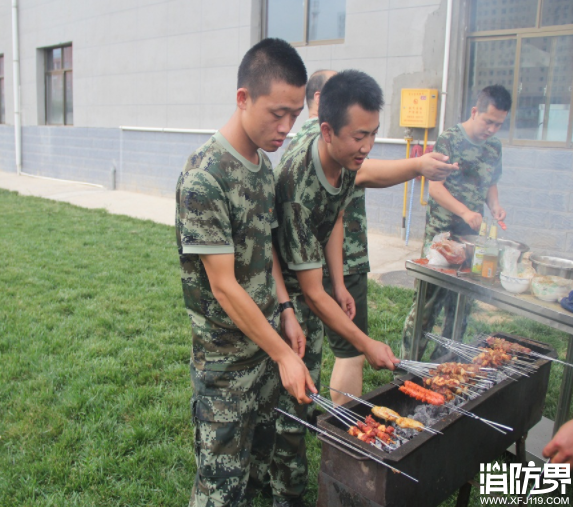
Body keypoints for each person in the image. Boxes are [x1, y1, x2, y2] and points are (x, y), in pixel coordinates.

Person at [175, 38, 318, 507]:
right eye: (277, 113)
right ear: (243, 99)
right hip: (225, 369)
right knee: (220, 492)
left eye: (295, 115)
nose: (286, 127)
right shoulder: (205, 177)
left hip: (263, 351)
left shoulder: (262, 165)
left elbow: (265, 247)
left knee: (255, 478)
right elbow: (223, 284)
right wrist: (284, 355)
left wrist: (285, 308)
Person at [295, 70, 459, 403]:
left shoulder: (331, 148)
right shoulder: (317, 155)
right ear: (322, 103)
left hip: (333, 260)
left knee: (316, 351)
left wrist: (339, 285)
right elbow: (364, 173)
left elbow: (336, 213)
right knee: (347, 352)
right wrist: (417, 166)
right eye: (360, 135)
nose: (366, 146)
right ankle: (341, 435)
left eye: (373, 134)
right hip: (320, 267)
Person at [401, 84, 512, 360]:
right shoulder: (450, 139)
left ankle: (445, 365)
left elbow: (490, 183)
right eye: (488, 121)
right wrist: (465, 212)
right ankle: (407, 363)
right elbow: (436, 189)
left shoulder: (494, 147)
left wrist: (495, 206)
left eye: (498, 124)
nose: (491, 129)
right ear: (475, 111)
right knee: (427, 304)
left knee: (460, 306)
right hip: (442, 236)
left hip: (472, 240)